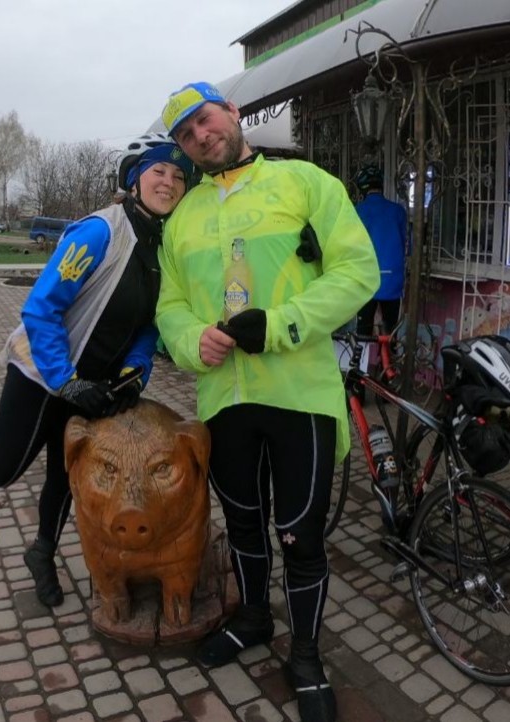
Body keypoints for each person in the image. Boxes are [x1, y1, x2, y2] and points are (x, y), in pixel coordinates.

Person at [0, 134, 192, 608]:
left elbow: (149, 324)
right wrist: (65, 381)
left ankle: (42, 551)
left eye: (179, 176)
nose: (168, 182)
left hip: (90, 386)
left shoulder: (161, 247)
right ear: (134, 180)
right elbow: (41, 309)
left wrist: (135, 370)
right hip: (43, 372)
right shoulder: (100, 233)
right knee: (2, 468)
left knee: (66, 474)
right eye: (158, 171)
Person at [156, 82, 379, 722]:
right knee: (243, 524)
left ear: (231, 112)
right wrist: (190, 340)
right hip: (224, 397)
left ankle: (305, 656)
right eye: (186, 135)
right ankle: (254, 618)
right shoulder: (182, 218)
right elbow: (170, 305)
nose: (200, 137)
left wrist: (281, 324)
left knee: (300, 535)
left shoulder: (305, 183)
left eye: (205, 120)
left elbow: (358, 271)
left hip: (298, 393)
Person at [354, 165, 407, 335]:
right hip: (393, 281)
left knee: (363, 334)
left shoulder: (357, 212)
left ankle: (363, 351)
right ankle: (389, 353)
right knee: (391, 333)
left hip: (365, 281)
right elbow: (409, 246)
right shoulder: (398, 211)